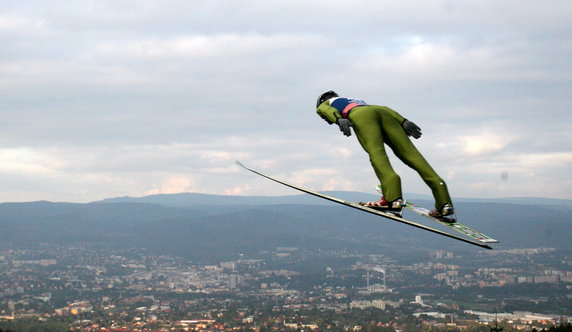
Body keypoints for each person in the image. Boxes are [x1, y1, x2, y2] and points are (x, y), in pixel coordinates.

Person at [315, 90, 455, 220]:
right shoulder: (355, 99)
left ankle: (392, 199)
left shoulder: (329, 102)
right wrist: (403, 120)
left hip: (361, 116)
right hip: (382, 113)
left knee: (377, 153)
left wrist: (338, 118)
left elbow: (324, 109)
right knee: (413, 156)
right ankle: (444, 203)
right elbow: (382, 108)